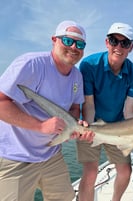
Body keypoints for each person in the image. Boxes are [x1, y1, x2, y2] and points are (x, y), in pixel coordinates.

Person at [0, 20, 92, 201]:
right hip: (16, 157)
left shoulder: (77, 76)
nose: (74, 47)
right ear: (54, 40)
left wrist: (73, 126)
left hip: (51, 156)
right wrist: (41, 126)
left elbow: (74, 108)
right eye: (67, 41)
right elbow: (1, 102)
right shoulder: (32, 64)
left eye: (80, 44)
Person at [76, 22, 133, 201]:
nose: (118, 47)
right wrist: (89, 129)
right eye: (114, 41)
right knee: (90, 173)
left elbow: (129, 110)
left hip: (119, 128)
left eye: (124, 43)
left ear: (131, 48)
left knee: (126, 172)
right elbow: (89, 104)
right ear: (106, 42)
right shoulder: (89, 65)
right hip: (92, 123)